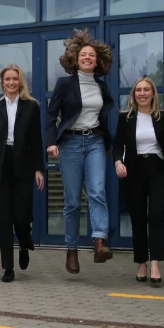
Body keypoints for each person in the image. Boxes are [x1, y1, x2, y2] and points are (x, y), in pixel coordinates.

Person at [44, 28, 115, 274]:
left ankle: (99, 242)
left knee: (97, 192)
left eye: (91, 55)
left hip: (94, 141)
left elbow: (102, 117)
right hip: (70, 144)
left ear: (97, 61)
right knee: (73, 201)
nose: (87, 58)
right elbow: (51, 115)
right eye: (83, 54)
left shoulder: (101, 86)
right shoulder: (65, 84)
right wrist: (51, 141)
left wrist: (106, 143)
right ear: (76, 59)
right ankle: (72, 249)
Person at [112, 77, 164, 286]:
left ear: (152, 94)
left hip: (157, 169)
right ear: (134, 94)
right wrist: (118, 162)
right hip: (134, 170)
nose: (142, 93)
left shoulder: (163, 117)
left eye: (146, 90)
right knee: (138, 217)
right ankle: (141, 262)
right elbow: (117, 146)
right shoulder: (125, 118)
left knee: (156, 215)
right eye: (138, 90)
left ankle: (155, 264)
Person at [0, 65, 44, 282]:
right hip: (0, 166)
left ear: (20, 82)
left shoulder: (31, 106)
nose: (11, 82)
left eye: (14, 79)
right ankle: (8, 267)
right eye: (7, 79)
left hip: (23, 165)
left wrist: (38, 168)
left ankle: (24, 242)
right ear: (2, 82)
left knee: (21, 217)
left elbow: (36, 139)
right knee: (4, 219)